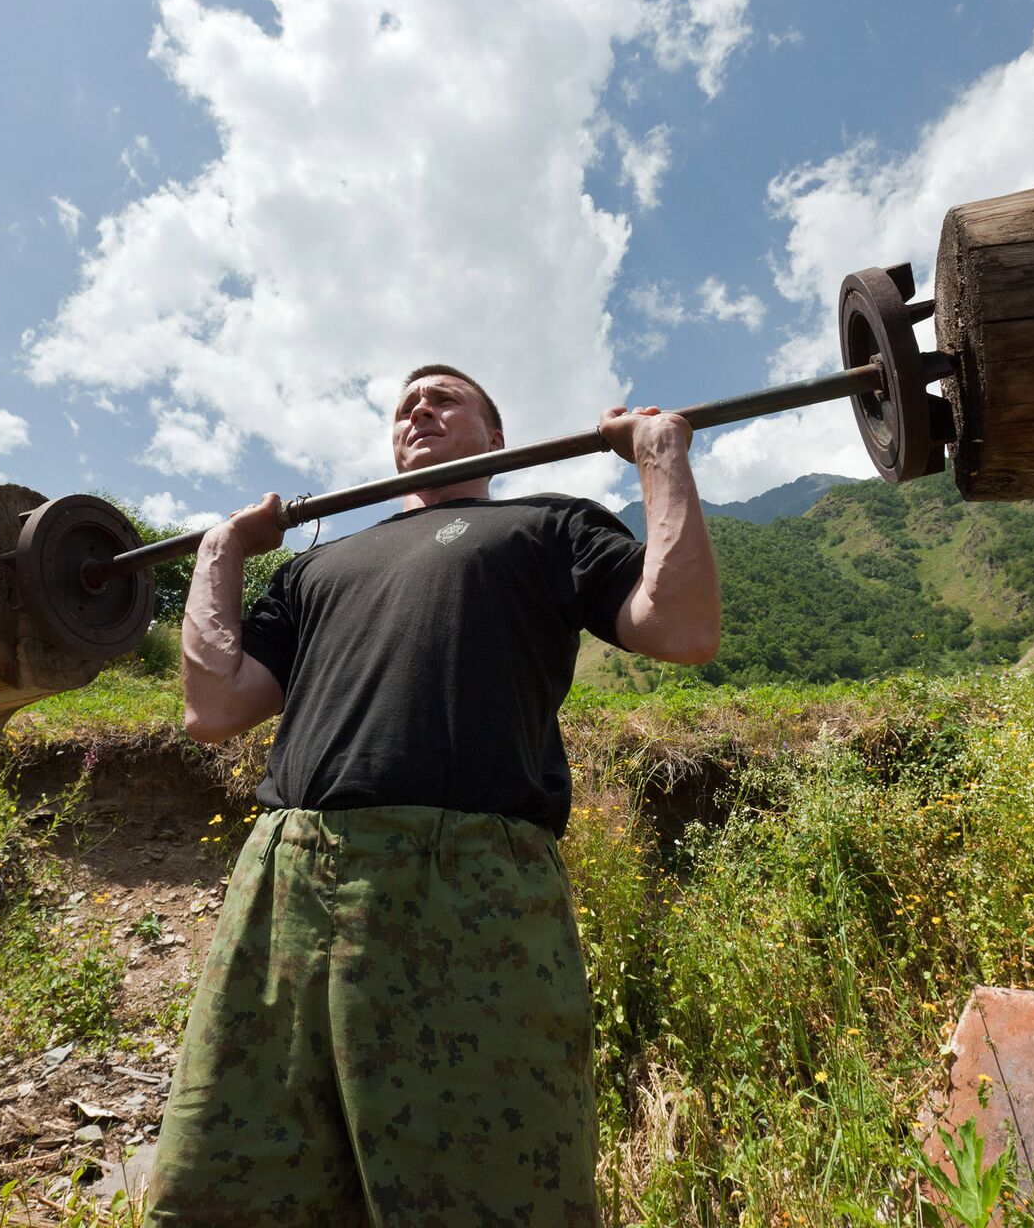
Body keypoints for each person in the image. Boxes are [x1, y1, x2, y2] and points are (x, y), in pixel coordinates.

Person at [146, 364, 719, 1226]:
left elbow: (681, 628)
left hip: (468, 891)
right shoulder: (320, 564)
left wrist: (661, 459)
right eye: (406, 402)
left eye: (446, 396)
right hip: (286, 884)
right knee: (236, 1179)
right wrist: (220, 550)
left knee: (486, 1193)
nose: (419, 405)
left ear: (495, 439)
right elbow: (213, 706)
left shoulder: (545, 524)